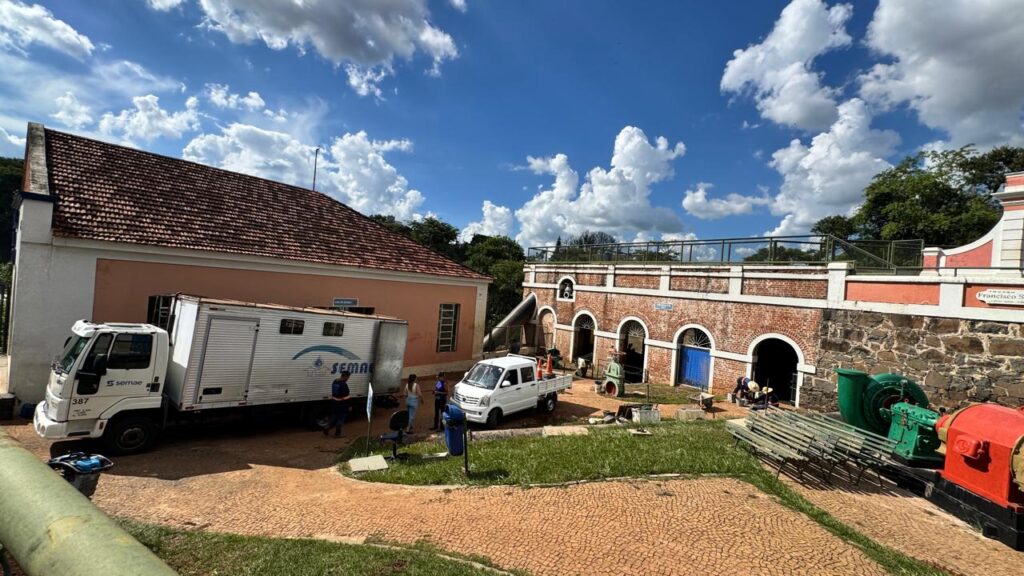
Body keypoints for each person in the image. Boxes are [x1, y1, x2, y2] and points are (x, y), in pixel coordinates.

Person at [322, 370, 351, 437]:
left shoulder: (335, 381)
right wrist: (349, 405)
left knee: (334, 417)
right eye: (348, 377)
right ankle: (337, 434)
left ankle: (326, 427)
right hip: (342, 404)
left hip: (334, 403)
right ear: (346, 376)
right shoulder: (343, 384)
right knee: (341, 418)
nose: (348, 378)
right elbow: (346, 397)